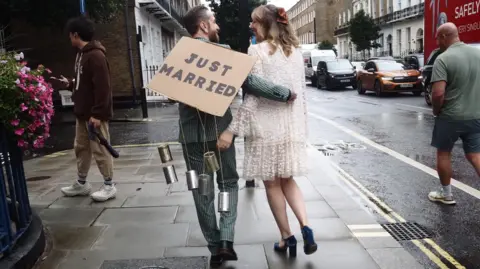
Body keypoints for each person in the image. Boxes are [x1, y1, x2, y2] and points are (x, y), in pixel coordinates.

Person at [181, 5, 297, 268]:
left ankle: (214, 248)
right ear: (203, 26)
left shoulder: (179, 55)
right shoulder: (222, 53)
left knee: (201, 191)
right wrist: (284, 93)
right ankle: (226, 242)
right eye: (214, 21)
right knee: (228, 184)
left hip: (190, 137)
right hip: (219, 134)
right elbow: (251, 83)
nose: (217, 26)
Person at [217, 4, 317, 257]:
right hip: (290, 127)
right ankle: (306, 226)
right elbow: (301, 95)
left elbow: (252, 99)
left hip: (265, 128)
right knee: (288, 180)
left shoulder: (256, 51)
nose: (251, 25)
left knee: (272, 185)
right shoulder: (295, 51)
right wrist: (301, 128)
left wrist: (231, 131)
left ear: (267, 24)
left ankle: (287, 237)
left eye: (255, 22)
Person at [51, 16, 116, 202]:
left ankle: (109, 185)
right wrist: (71, 84)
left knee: (100, 150)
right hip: (82, 113)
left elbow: (103, 88)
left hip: (94, 115)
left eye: (70, 35)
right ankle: (82, 183)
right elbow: (85, 83)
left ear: (75, 34)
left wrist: (97, 114)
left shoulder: (95, 56)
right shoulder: (82, 54)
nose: (69, 38)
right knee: (81, 148)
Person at [428, 22, 480, 205]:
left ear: (444, 37)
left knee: (443, 154)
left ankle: (446, 194)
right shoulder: (478, 53)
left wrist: (436, 111)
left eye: (437, 38)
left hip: (450, 117)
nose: (436, 42)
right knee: (475, 155)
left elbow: (438, 93)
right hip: (475, 115)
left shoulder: (443, 59)